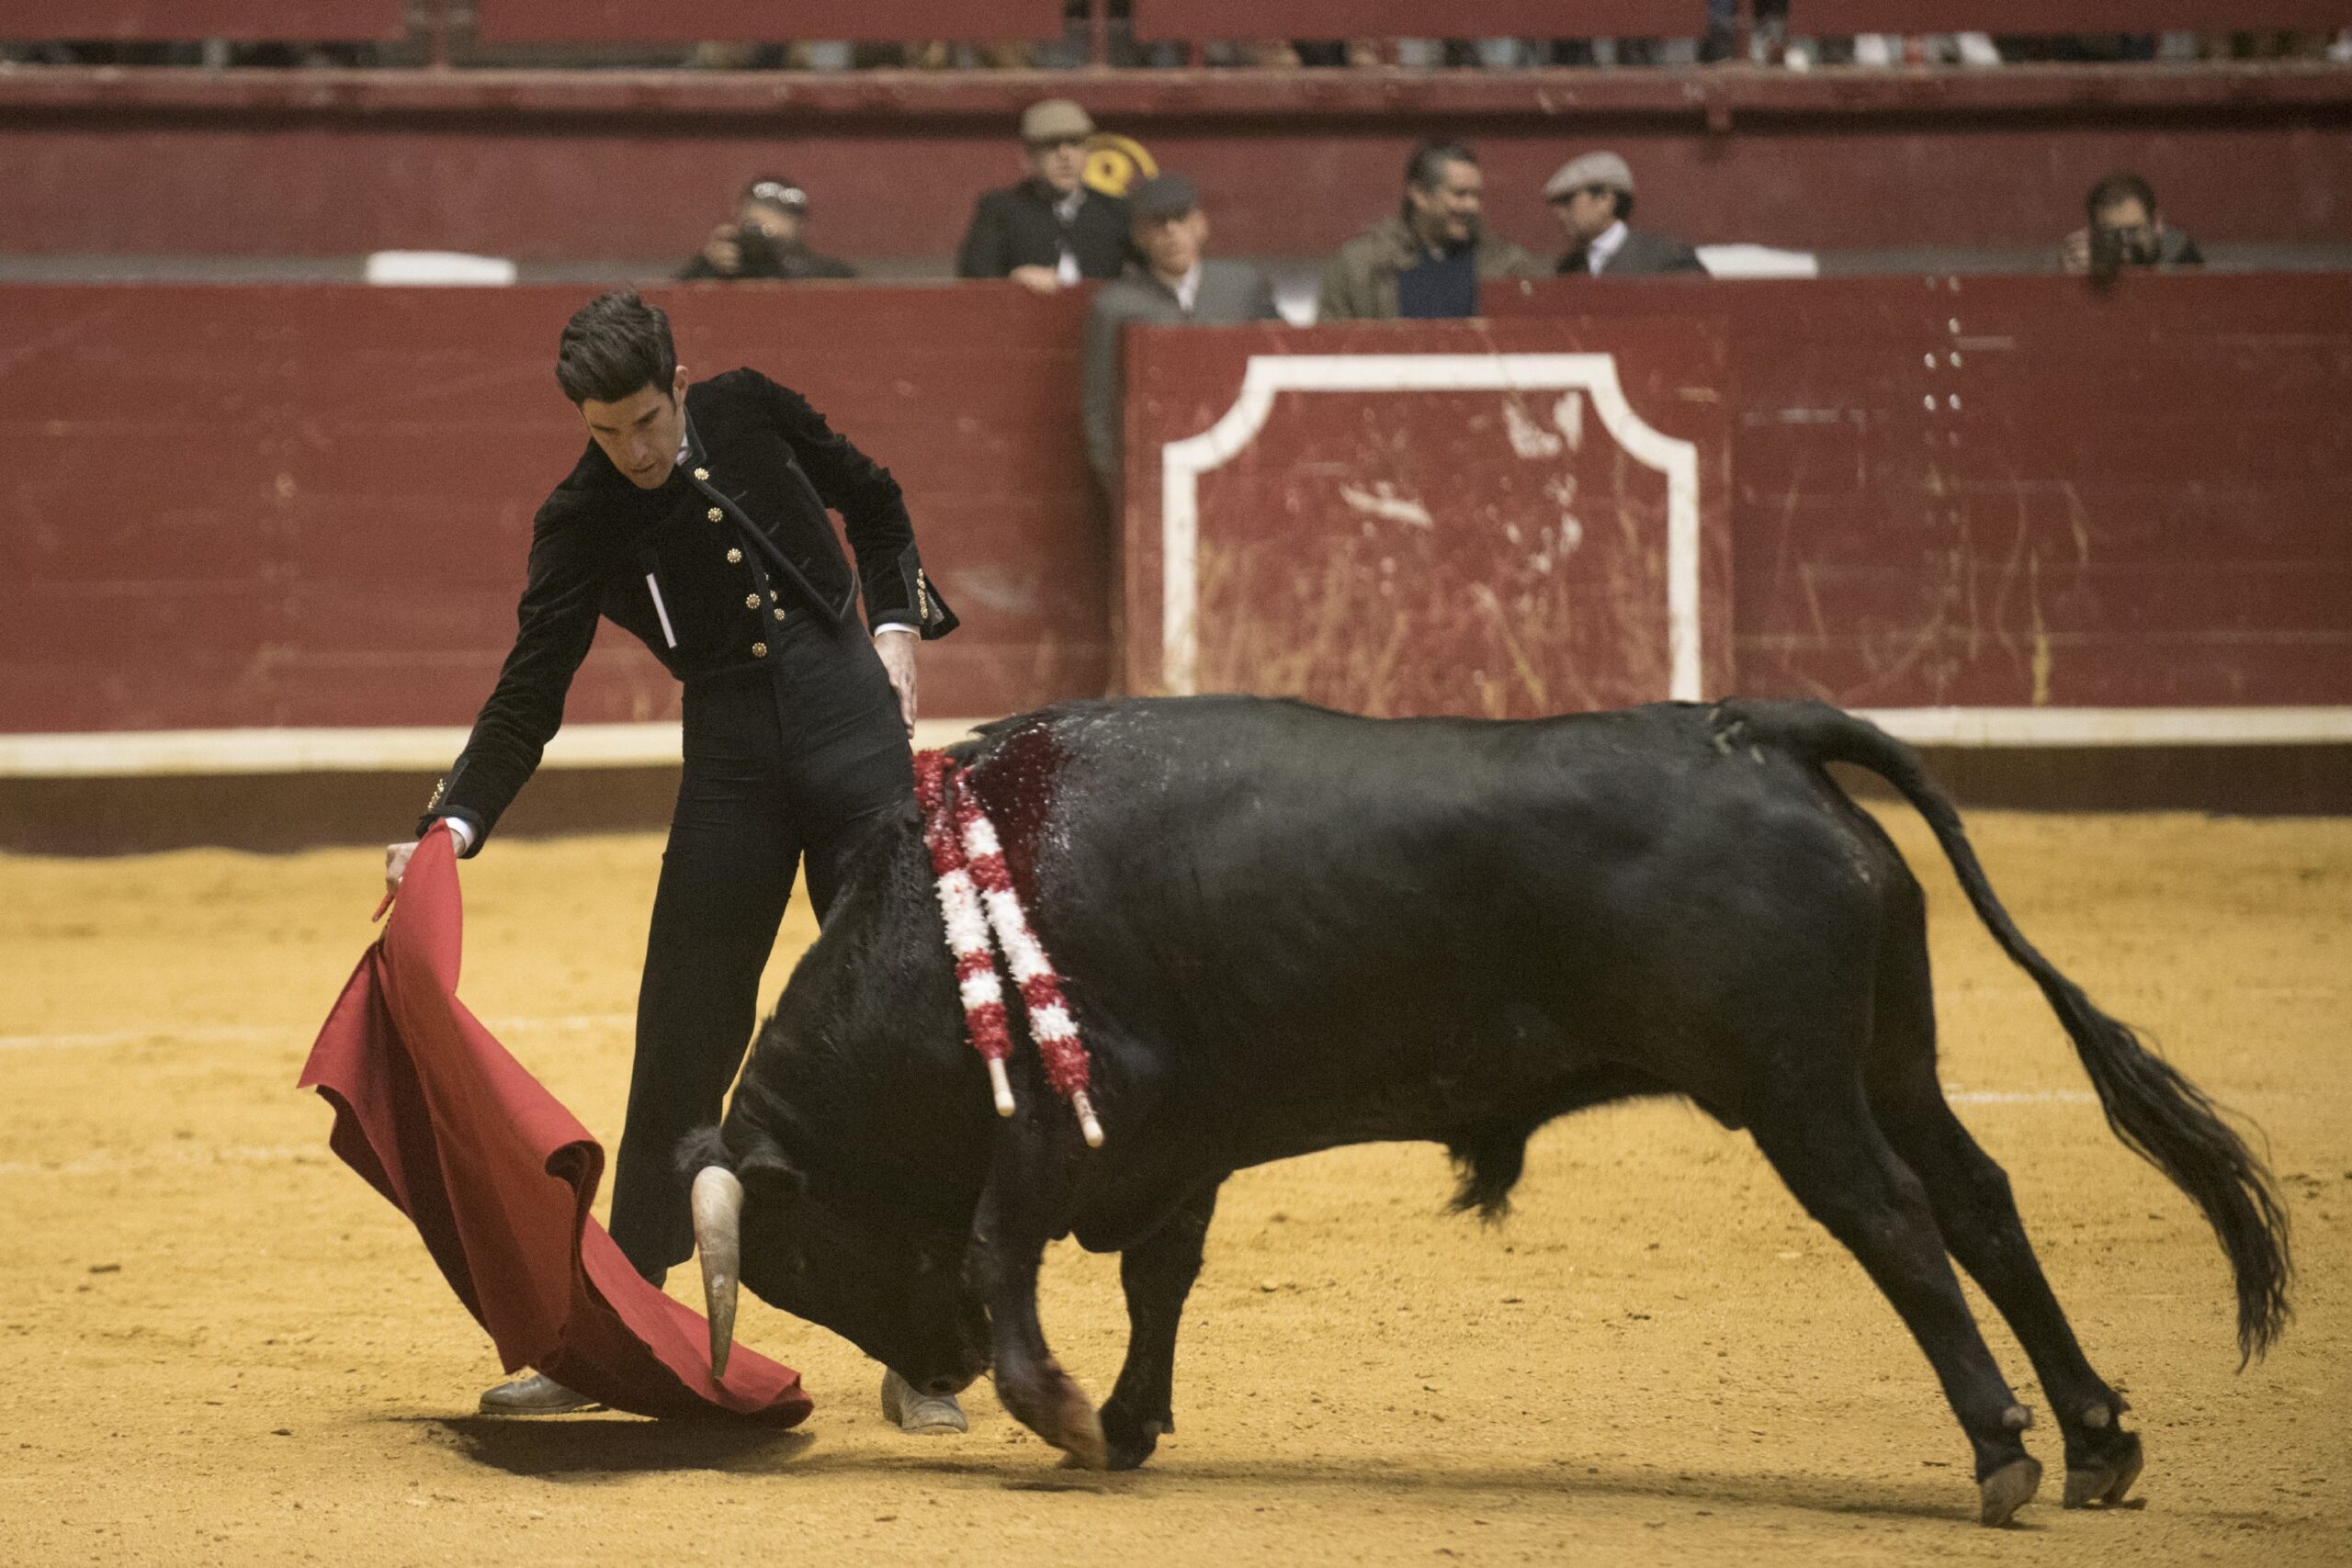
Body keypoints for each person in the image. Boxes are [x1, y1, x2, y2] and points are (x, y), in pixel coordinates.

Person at [380, 292, 965, 1432]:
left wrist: (896, 625)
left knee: (894, 1031)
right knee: (681, 1036)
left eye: (646, 423)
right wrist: (453, 823)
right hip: (732, 772)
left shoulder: (750, 409)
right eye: (607, 433)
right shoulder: (582, 515)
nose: (634, 454)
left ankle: (920, 1349)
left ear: (680, 385)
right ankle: (614, 1328)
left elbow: (877, 500)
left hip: (857, 744)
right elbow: (527, 693)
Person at [1080, 174, 1281, 497]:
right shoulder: (1114, 306)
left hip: (1242, 461)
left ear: (1201, 225)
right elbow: (1100, 406)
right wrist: (1124, 488)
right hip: (1155, 469)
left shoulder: (1243, 287)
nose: (1171, 233)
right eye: (1158, 224)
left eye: (1181, 219)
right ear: (1139, 237)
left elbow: (1281, 367)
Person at [1316, 140, 1544, 321]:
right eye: (1460, 194)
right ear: (1419, 194)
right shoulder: (1360, 266)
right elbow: (1331, 350)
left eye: (1476, 195)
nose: (1472, 206)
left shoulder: (1509, 266)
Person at [954, 98, 1130, 292]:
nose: (1065, 155)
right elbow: (974, 274)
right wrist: (1014, 277)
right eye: (1051, 145)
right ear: (1028, 158)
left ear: (1088, 154)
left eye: (1074, 143)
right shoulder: (1001, 209)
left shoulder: (1116, 210)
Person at [1544, 152, 1704, 276]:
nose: (1560, 213)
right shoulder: (1568, 267)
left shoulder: (1668, 258)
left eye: (1568, 201)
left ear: (1604, 200)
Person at [679, 175, 855, 281]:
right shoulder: (717, 269)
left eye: (775, 238)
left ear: (800, 227)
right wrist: (707, 266)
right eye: (755, 231)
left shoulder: (825, 273)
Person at [2063, 172, 2203, 281]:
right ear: (2094, 232)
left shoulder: (2178, 249)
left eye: (2133, 231)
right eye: (2112, 233)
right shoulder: (2085, 251)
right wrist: (2078, 280)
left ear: (2157, 224)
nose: (2124, 241)